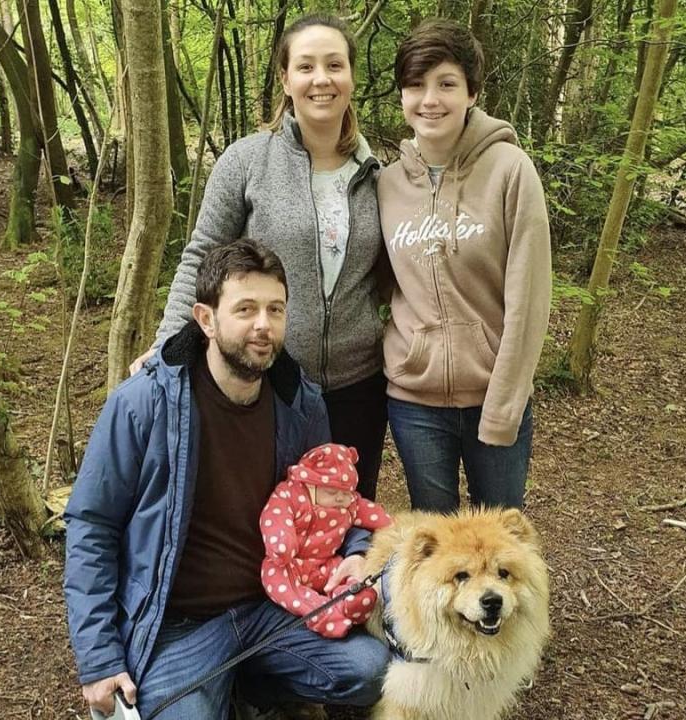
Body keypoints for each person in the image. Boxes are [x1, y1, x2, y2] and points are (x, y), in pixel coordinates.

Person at [64, 241, 388, 720]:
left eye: (275, 309)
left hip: (275, 605)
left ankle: (253, 686)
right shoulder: (143, 403)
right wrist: (99, 659)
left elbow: (339, 501)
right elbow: (92, 525)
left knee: (370, 670)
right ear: (206, 319)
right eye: (246, 309)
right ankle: (219, 688)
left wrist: (358, 551)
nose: (264, 324)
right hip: (181, 623)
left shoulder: (300, 403)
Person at [129, 14, 388, 501]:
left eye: (335, 65)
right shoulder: (246, 161)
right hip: (268, 377)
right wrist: (169, 345)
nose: (321, 79)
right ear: (286, 80)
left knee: (345, 519)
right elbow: (201, 256)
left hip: (359, 386)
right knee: (266, 517)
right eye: (306, 66)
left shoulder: (378, 175)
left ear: (351, 77)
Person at [377, 19, 552, 513]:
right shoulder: (387, 184)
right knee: (439, 554)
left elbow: (529, 298)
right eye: (416, 85)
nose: (430, 99)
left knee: (498, 548)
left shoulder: (510, 170)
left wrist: (503, 406)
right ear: (402, 96)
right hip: (415, 404)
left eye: (446, 84)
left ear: (472, 92)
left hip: (492, 394)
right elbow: (378, 284)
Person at [260, 443, 392, 639]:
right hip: (289, 564)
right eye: (331, 492)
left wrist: (395, 526)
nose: (340, 498)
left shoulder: (349, 504)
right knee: (281, 581)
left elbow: (374, 515)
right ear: (311, 485)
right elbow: (275, 517)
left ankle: (352, 599)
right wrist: (281, 544)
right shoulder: (291, 495)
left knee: (347, 574)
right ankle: (321, 615)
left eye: (345, 492)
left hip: (326, 563)